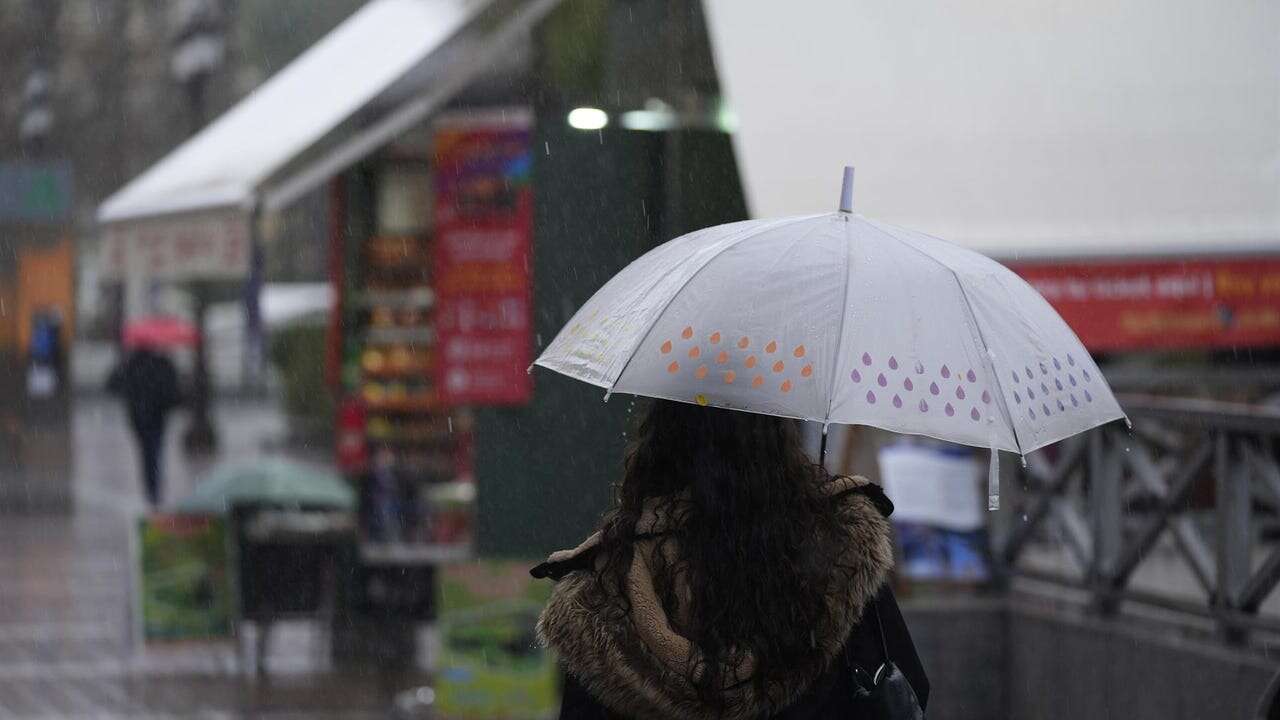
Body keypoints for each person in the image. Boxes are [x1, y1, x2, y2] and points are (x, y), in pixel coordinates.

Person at [532, 400, 929, 719]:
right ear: (780, 440)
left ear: (659, 443)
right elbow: (906, 688)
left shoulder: (604, 587)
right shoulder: (837, 553)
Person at [108, 345, 182, 507]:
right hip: (156, 417)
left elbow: (113, 385)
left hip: (140, 417)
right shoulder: (162, 363)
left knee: (147, 452)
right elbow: (174, 391)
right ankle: (154, 487)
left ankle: (151, 487)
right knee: (154, 451)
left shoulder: (132, 364)